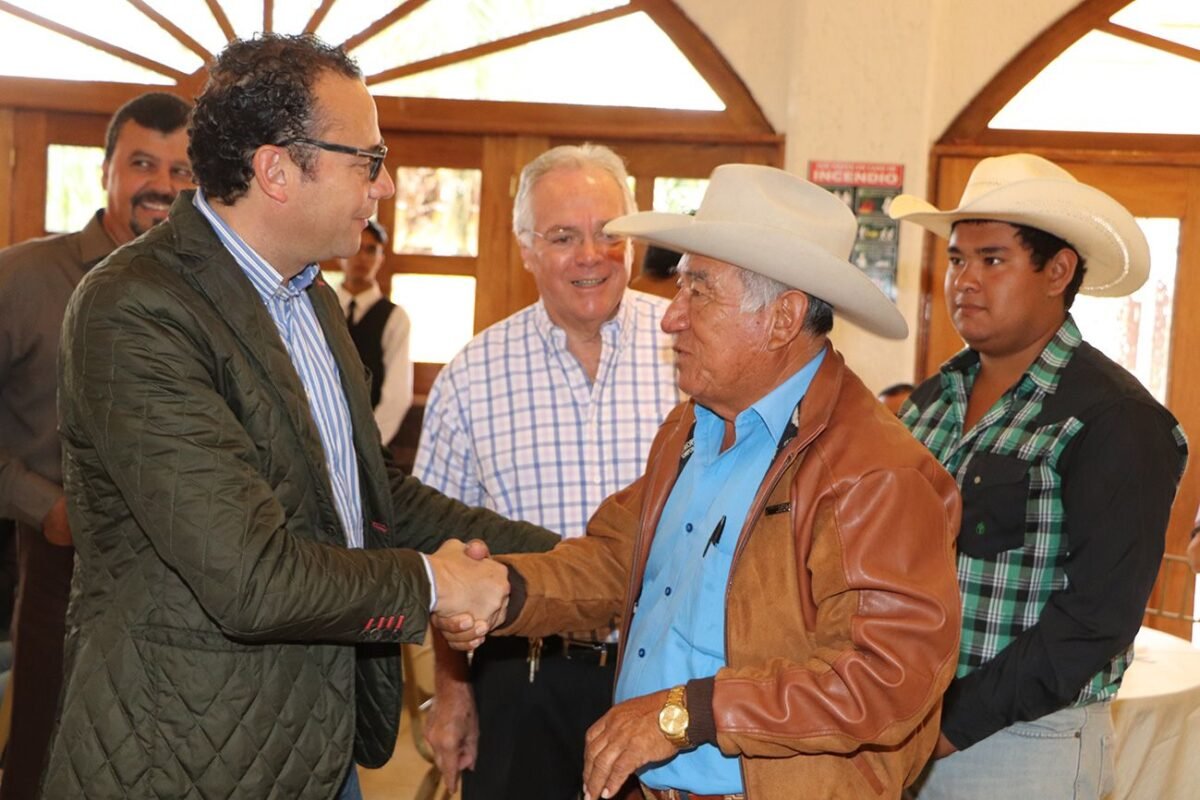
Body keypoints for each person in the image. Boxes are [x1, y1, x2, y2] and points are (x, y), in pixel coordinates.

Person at [44, 34, 558, 800]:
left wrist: (568, 560)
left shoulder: (308, 297)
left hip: (314, 742)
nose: (382, 188)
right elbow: (250, 575)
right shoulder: (137, 308)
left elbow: (368, 497)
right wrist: (436, 585)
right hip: (187, 754)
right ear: (277, 169)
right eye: (369, 161)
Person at [438, 164, 964, 800]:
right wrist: (507, 588)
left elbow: (886, 678)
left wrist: (685, 715)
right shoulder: (696, 423)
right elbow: (618, 558)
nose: (670, 318)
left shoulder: (875, 473)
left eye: (699, 292)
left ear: (782, 318)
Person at [888, 153, 1188, 798]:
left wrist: (947, 726)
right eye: (957, 259)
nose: (964, 280)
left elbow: (1095, 618)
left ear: (1058, 271)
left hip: (1024, 746)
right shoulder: (934, 398)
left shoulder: (1114, 418)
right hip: (901, 721)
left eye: (992, 259)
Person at [414, 143, 681, 799]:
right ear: (526, 249)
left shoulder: (691, 350)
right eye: (564, 237)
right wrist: (452, 692)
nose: (590, 256)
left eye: (607, 234)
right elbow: (443, 561)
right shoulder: (471, 378)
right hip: (521, 682)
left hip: (664, 684)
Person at [0, 90, 193, 800]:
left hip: (192, 577)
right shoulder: (22, 280)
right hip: (61, 564)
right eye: (144, 163)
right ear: (105, 171)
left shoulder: (214, 294)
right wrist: (41, 506)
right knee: (46, 757)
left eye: (184, 170)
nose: (164, 185)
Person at [336, 219, 413, 446]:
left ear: (381, 258)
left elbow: (397, 396)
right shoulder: (320, 308)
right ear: (339, 253)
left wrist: (368, 445)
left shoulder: (395, 318)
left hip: (372, 441)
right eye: (355, 247)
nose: (361, 257)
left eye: (371, 250)